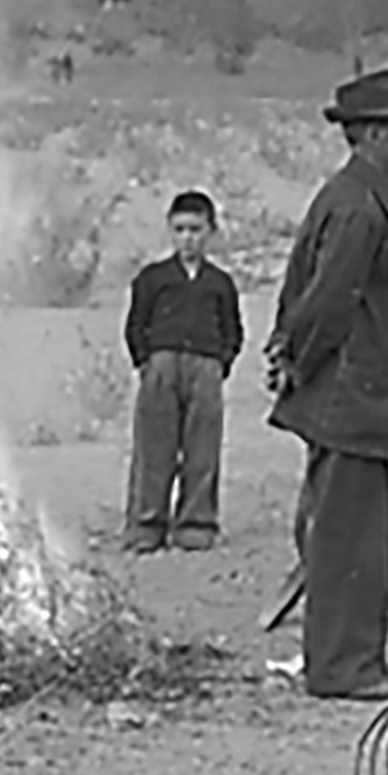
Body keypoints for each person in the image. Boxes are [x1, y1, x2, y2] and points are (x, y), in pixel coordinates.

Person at [268, 69, 388, 701]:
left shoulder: (361, 195)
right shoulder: (358, 209)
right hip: (347, 392)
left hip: (349, 392)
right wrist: (295, 360)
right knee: (347, 538)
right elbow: (328, 302)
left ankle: (358, 656)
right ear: (374, 135)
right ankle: (341, 668)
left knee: (357, 532)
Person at [120, 190, 244, 554]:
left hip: (205, 367)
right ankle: (147, 524)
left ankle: (196, 523)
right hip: (160, 366)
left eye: (195, 229)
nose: (188, 238)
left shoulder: (220, 283)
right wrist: (145, 360)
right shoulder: (153, 278)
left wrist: (221, 361)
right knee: (154, 447)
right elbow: (136, 323)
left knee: (202, 448)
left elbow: (232, 328)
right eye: (180, 229)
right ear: (170, 232)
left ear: (211, 232)